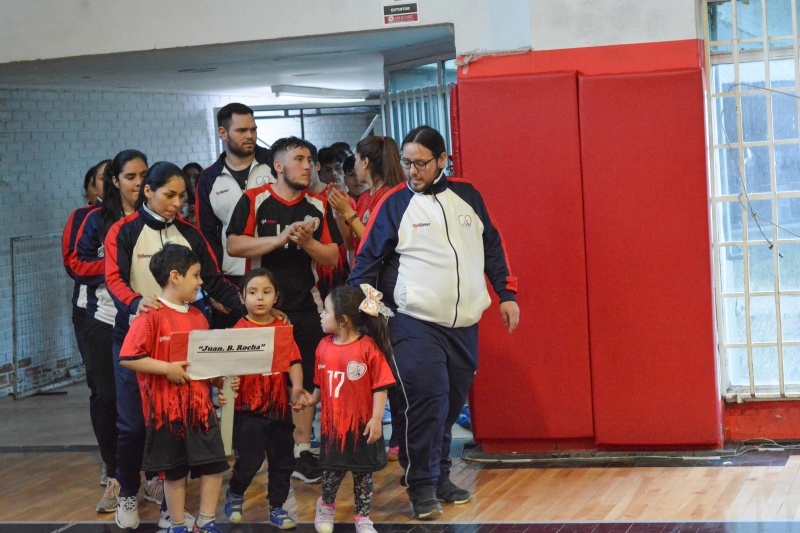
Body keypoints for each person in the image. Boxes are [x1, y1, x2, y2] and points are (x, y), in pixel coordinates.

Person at [348, 126, 520, 520]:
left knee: (447, 405)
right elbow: (361, 273)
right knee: (426, 402)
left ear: (443, 161)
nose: (412, 170)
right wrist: (381, 317)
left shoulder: (468, 196)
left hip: (464, 325)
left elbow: (493, 245)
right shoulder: (393, 204)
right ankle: (421, 486)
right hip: (413, 325)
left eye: (421, 163)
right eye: (407, 162)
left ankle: (441, 477)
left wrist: (506, 294)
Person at [105, 161, 245, 529]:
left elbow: (215, 282)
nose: (177, 203)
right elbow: (114, 279)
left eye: (182, 195)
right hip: (140, 336)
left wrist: (252, 314)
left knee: (185, 425)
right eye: (170, 195)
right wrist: (137, 303)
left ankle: (176, 512)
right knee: (134, 425)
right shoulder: (124, 230)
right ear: (148, 192)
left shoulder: (191, 233)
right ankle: (127, 493)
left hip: (185, 339)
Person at [226, 136, 343, 485]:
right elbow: (234, 245)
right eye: (299, 159)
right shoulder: (254, 200)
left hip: (306, 307)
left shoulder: (319, 206)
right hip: (260, 310)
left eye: (311, 159)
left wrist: (307, 242)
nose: (308, 166)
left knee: (304, 379)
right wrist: (280, 239)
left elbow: (333, 256)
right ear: (278, 166)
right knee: (258, 382)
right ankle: (257, 448)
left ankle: (301, 452)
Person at [119, 244, 232, 533]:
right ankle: (177, 524)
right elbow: (130, 358)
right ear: (175, 277)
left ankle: (207, 522)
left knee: (213, 465)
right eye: (195, 275)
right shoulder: (151, 315)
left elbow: (203, 364)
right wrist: (167, 368)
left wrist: (218, 382)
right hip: (165, 415)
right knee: (175, 471)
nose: (200, 282)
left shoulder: (198, 317)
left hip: (200, 410)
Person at [299, 284, 395, 533]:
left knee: (364, 477)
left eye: (326, 310)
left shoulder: (369, 349)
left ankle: (362, 518)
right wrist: (312, 400)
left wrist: (376, 419)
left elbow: (380, 388)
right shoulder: (322, 347)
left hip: (363, 428)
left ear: (342, 321)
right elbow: (320, 383)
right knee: (331, 475)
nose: (321, 314)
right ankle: (326, 507)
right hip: (334, 430)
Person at [223, 268, 305, 529]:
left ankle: (277, 508)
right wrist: (228, 380)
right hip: (248, 411)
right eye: (253, 292)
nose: (260, 298)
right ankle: (235, 492)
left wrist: (297, 387)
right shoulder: (238, 329)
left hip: (279, 409)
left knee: (283, 462)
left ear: (276, 297)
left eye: (266, 292)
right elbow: (225, 367)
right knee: (249, 461)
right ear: (242, 297)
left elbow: (294, 360)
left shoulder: (282, 327)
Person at [195, 103, 273, 328]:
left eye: (253, 129)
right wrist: (213, 288)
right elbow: (206, 237)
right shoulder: (209, 178)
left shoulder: (274, 164)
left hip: (276, 272)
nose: (250, 136)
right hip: (232, 280)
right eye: (241, 131)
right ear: (223, 133)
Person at [62, 159, 112, 495]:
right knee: (102, 389)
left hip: (134, 315)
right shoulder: (83, 218)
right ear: (91, 187)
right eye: (101, 178)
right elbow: (73, 264)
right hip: (90, 314)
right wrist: (115, 267)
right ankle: (114, 464)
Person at [327, 136, 404, 254]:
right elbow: (350, 245)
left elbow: (375, 243)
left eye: (356, 159)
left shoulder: (389, 196)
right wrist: (340, 212)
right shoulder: (364, 197)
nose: (354, 166)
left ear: (365, 162)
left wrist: (348, 211)